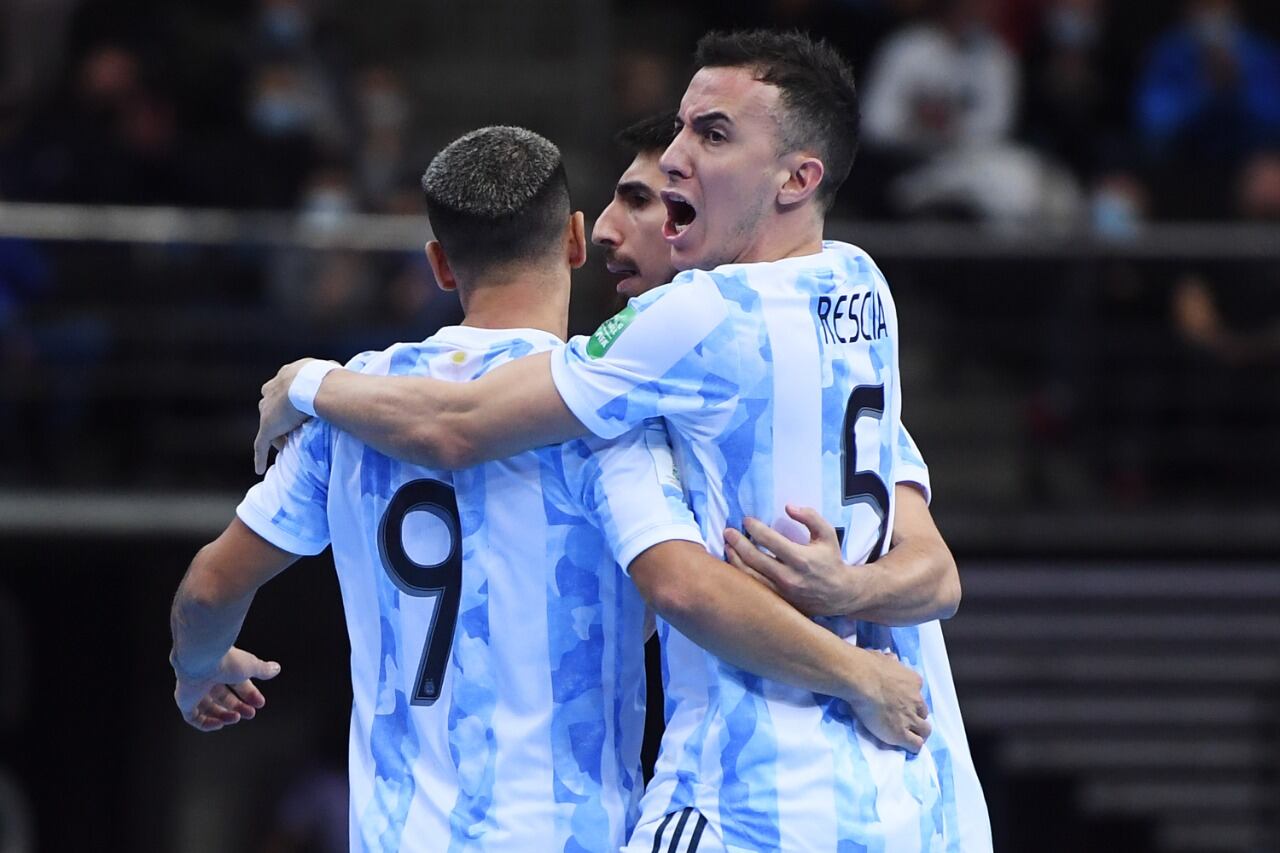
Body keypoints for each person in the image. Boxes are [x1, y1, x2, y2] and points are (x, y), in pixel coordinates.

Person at [255, 31, 991, 851]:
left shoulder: (691, 320)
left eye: (710, 137)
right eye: (679, 132)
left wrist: (309, 382)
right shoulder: (861, 290)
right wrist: (850, 594)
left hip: (750, 799)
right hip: (918, 800)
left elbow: (456, 428)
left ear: (797, 176)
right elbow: (937, 574)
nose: (675, 162)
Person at [595, 109, 989, 852]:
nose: (613, 230)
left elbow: (938, 573)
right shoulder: (640, 387)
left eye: (650, 201)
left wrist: (846, 593)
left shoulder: (824, 375)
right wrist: (858, 669)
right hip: (878, 791)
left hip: (836, 794)